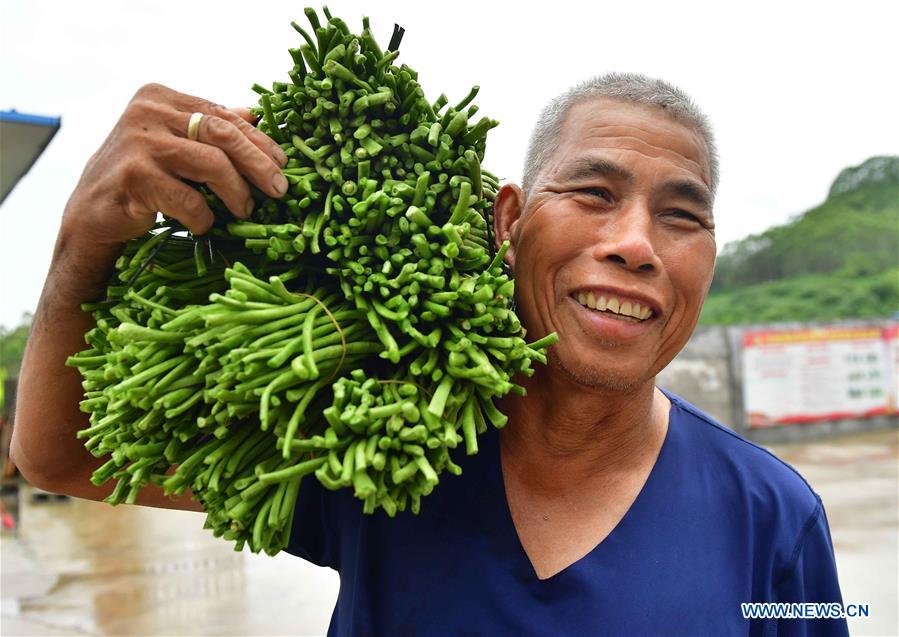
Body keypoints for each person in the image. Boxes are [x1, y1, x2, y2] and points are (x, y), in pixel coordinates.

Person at [11, 73, 849, 636]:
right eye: (592, 193)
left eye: (681, 215)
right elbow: (58, 453)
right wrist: (82, 245)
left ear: (708, 256)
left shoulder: (772, 522)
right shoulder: (383, 442)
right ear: (509, 220)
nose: (633, 243)